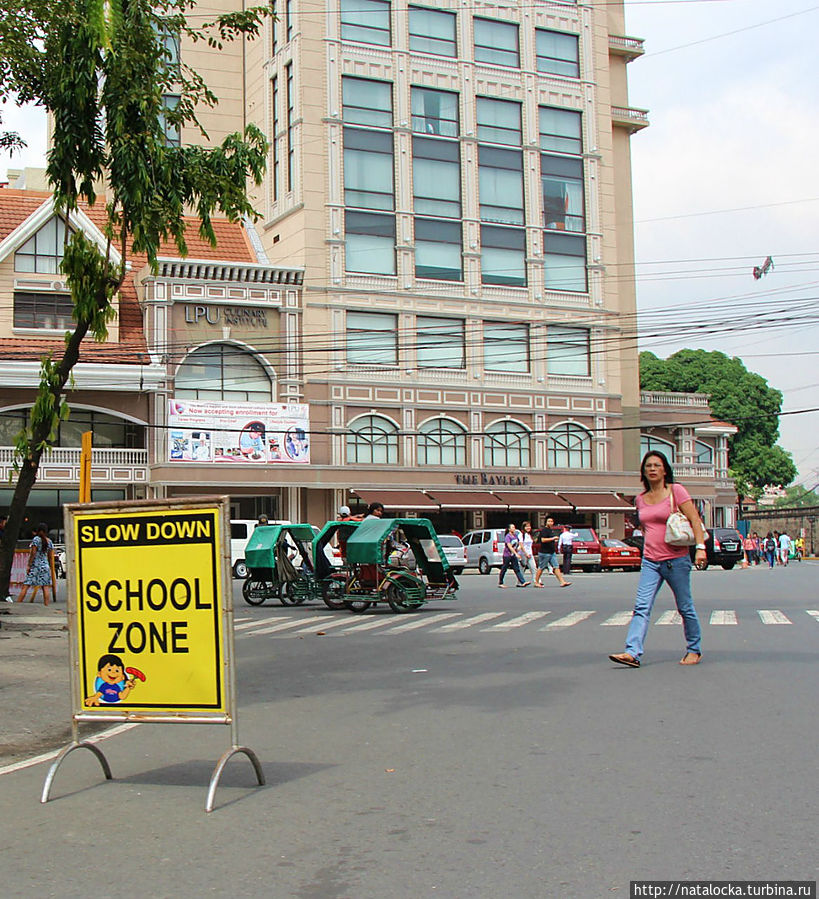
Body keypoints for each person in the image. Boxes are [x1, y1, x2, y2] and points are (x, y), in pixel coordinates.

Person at [609, 451, 707, 669]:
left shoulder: (676, 491)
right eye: (648, 466)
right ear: (643, 472)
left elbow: (694, 519)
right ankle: (632, 652)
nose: (652, 469)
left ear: (664, 470)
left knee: (685, 607)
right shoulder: (640, 499)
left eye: (657, 465)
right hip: (650, 561)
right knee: (641, 606)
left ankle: (694, 649)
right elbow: (646, 527)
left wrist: (700, 549)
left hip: (676, 560)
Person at [15, 522, 57, 606]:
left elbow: (33, 553)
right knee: (45, 586)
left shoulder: (36, 539)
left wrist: (29, 564)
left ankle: (18, 604)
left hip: (35, 566)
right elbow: (50, 556)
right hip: (45, 566)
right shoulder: (49, 541)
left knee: (26, 585)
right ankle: (46, 605)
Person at [535, 516, 571, 588]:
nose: (550, 523)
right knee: (541, 567)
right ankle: (536, 582)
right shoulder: (544, 530)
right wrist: (553, 538)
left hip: (551, 552)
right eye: (549, 521)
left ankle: (562, 582)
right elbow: (543, 540)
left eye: (551, 521)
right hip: (545, 552)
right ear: (546, 522)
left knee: (556, 567)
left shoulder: (551, 530)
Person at [498, 524, 528, 588]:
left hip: (513, 555)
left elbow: (518, 544)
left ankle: (523, 581)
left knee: (516, 568)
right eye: (512, 527)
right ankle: (501, 582)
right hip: (507, 555)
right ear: (509, 529)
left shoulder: (515, 536)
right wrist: (516, 554)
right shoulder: (507, 536)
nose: (514, 528)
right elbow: (510, 547)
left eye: (514, 527)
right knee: (504, 568)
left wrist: (519, 549)